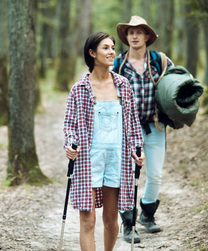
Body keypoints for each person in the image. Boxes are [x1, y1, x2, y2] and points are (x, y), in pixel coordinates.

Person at [63, 31, 145, 251]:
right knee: (88, 220)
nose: (111, 52)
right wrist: (70, 144)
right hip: (88, 160)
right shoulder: (80, 89)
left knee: (111, 221)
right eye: (105, 48)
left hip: (117, 158)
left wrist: (139, 149)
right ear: (92, 53)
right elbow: (70, 125)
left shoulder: (123, 85)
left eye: (112, 48)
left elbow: (133, 123)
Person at [113, 16, 174, 243]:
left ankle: (147, 216)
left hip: (154, 126)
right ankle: (128, 225)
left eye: (139, 32)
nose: (135, 36)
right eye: (130, 33)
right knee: (128, 177)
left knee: (155, 174)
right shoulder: (118, 64)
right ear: (126, 37)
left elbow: (178, 83)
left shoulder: (161, 61)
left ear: (147, 36)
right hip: (126, 130)